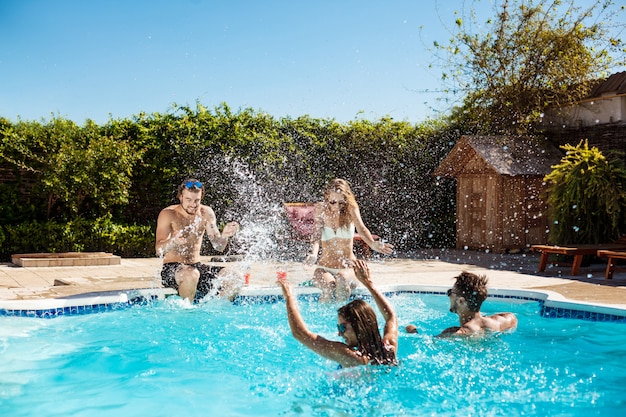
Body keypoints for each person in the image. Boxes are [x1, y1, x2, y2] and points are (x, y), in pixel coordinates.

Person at [277, 259, 398, 368]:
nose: (339, 333)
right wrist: (368, 283)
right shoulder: (388, 347)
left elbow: (300, 334)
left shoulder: (351, 356)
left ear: (360, 326)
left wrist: (289, 296)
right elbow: (391, 317)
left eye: (342, 327)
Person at [304, 178, 394, 302]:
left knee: (341, 278)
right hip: (324, 267)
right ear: (327, 196)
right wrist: (314, 254)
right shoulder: (320, 209)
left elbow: (362, 229)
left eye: (341, 203)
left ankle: (342, 316)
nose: (337, 206)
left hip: (348, 268)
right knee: (329, 286)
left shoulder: (351, 208)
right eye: (333, 202)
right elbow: (316, 234)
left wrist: (372, 244)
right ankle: (322, 319)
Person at [155, 178, 241, 302]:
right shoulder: (168, 214)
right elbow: (159, 250)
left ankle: (216, 309)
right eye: (188, 200)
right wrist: (172, 241)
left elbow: (219, 246)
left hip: (197, 267)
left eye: (197, 200)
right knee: (191, 275)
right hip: (172, 269)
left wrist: (225, 236)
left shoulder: (206, 213)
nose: (193, 205)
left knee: (235, 277)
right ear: (180, 197)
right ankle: (187, 315)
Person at [436, 271, 518, 337]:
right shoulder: (498, 323)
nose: (449, 296)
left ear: (461, 301)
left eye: (450, 292)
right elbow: (512, 317)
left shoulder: (452, 334)